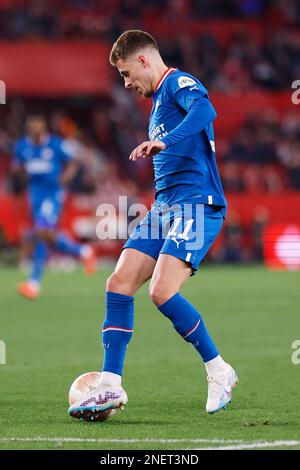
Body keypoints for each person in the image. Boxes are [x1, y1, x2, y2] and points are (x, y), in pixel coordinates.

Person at [68, 30, 238, 420]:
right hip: (165, 207)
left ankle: (218, 369)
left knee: (161, 292)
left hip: (197, 205)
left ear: (144, 60)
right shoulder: (158, 100)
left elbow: (205, 112)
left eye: (127, 73)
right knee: (119, 282)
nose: (126, 84)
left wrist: (166, 141)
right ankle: (110, 383)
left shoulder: (179, 82)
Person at [13, 114, 96, 300]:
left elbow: (73, 162)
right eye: (32, 125)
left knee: (42, 230)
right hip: (34, 195)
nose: (35, 128)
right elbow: (17, 167)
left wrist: (65, 178)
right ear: (28, 128)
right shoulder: (22, 147)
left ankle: (33, 283)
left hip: (53, 194)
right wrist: (21, 172)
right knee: (44, 236)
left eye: (38, 125)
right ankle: (83, 252)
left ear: (43, 127)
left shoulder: (55, 144)